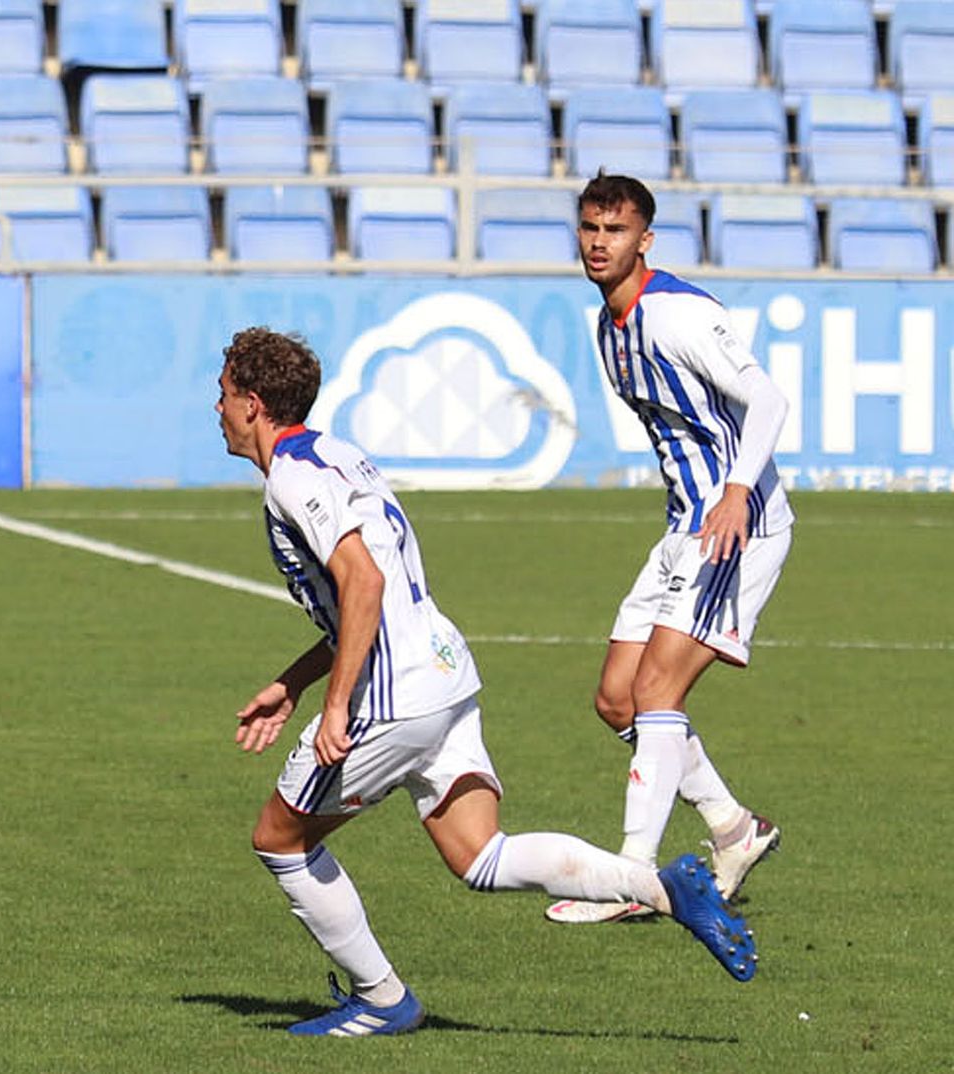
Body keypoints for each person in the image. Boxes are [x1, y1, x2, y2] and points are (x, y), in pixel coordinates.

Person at [217, 327, 757, 1037]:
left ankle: (381, 999)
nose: (218, 409)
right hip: (442, 671)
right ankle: (661, 888)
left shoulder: (293, 477)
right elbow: (372, 597)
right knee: (480, 855)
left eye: (223, 395)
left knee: (280, 838)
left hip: (393, 696)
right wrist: (294, 684)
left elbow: (364, 584)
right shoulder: (339, 455)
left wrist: (338, 704)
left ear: (253, 403)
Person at [546, 173, 789, 926]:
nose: (598, 243)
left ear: (644, 240)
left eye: (615, 231)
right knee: (618, 699)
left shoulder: (676, 314)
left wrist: (738, 490)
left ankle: (632, 879)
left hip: (737, 527)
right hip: (685, 526)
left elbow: (769, 399)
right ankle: (733, 828)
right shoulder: (608, 326)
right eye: (590, 228)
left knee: (656, 693)